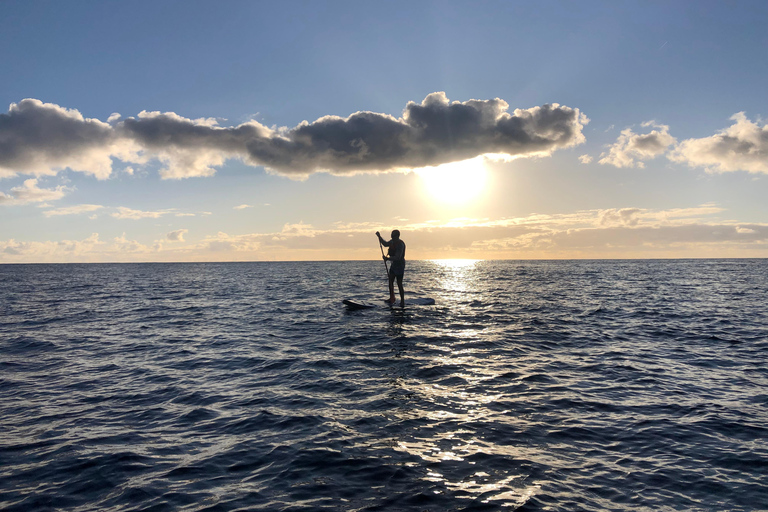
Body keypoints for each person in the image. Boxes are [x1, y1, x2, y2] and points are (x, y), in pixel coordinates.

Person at [376, 230, 406, 306]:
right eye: (391, 235)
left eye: (393, 235)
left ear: (397, 236)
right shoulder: (392, 242)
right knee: (390, 281)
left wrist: (387, 259)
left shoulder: (400, 244)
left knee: (399, 283)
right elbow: (385, 244)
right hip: (393, 265)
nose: (392, 237)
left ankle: (402, 301)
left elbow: (398, 257)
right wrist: (379, 237)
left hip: (400, 266)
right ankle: (391, 298)